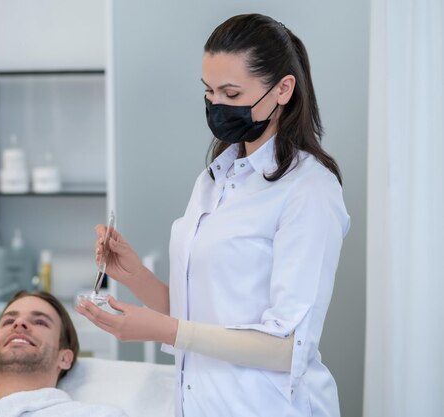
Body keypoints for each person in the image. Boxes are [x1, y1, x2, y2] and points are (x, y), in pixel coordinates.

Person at [75, 13, 350, 417]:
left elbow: (288, 347)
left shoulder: (309, 190)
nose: (217, 105)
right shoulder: (214, 179)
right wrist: (132, 274)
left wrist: (164, 331)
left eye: (232, 93)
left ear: (283, 90)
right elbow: (199, 313)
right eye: (209, 91)